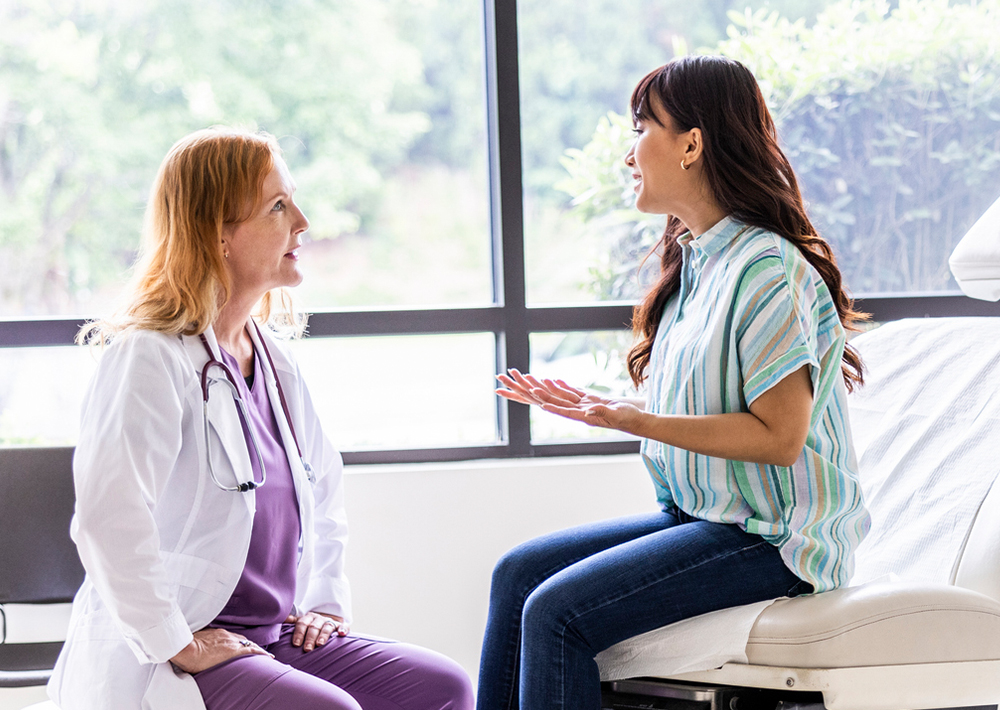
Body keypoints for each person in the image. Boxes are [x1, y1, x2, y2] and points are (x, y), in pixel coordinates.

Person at [478, 55, 872, 710]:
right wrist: (613, 408)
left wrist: (635, 420)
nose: (629, 154)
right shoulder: (697, 265)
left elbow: (779, 438)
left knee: (556, 612)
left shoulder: (767, 268)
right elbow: (712, 408)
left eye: (641, 129)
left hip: (774, 540)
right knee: (517, 574)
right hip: (703, 518)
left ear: (691, 144)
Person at [48, 127, 474, 710]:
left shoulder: (273, 359)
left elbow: (324, 490)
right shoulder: (149, 356)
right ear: (217, 233)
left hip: (275, 634)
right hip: (181, 642)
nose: (301, 221)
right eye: (277, 206)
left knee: (442, 688)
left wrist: (323, 603)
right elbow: (108, 517)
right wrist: (175, 641)